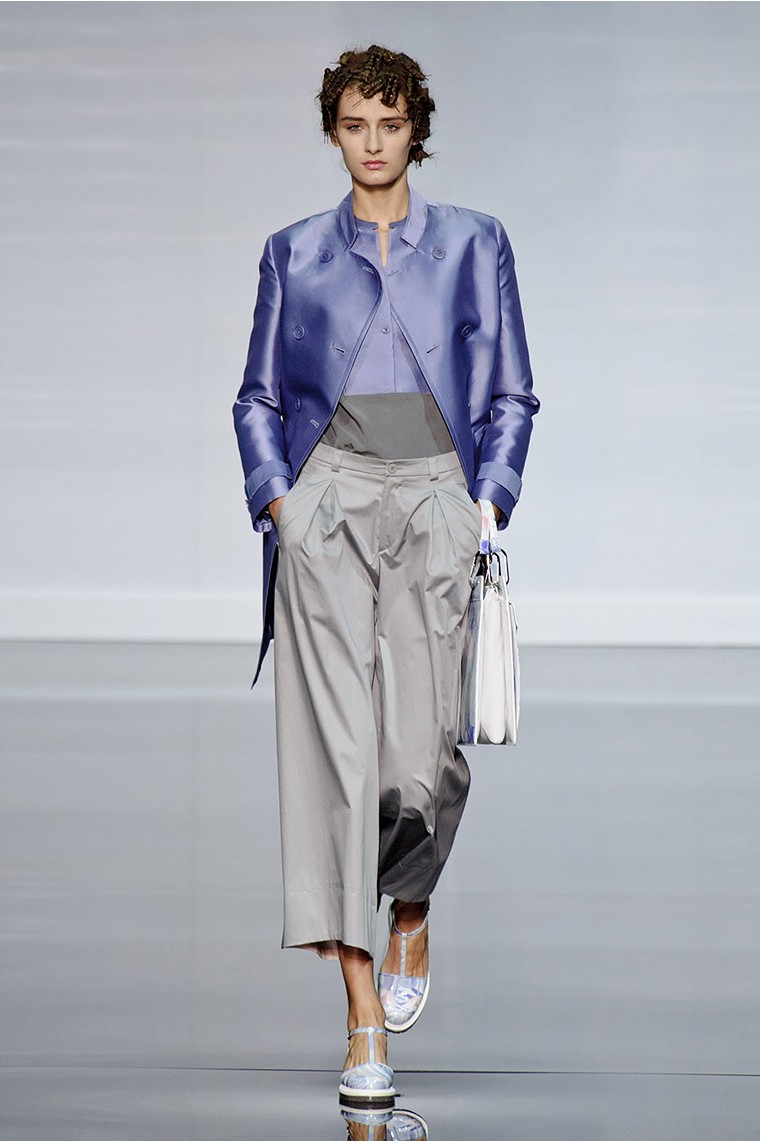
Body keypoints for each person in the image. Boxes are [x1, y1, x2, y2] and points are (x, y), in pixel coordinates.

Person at [232, 44, 539, 1109]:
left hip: (436, 493)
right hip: (325, 498)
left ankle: (409, 904)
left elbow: (511, 390)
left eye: (391, 124)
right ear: (334, 131)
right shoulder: (292, 253)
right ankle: (362, 1013)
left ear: (417, 130)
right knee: (332, 762)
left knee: (419, 760)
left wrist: (486, 500)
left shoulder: (474, 243)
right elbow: (257, 396)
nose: (373, 143)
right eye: (356, 124)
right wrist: (280, 502)